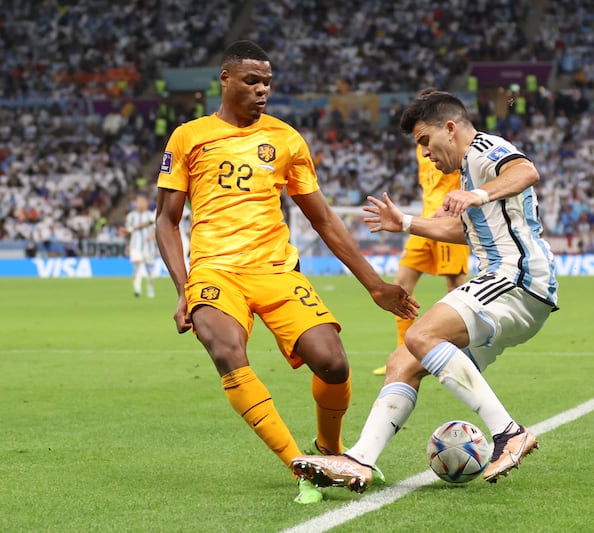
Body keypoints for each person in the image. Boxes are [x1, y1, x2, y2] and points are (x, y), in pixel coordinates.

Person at [154, 40, 418, 505]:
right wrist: (183, 288)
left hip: (275, 270)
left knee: (333, 362)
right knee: (226, 351)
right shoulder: (188, 137)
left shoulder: (287, 139)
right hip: (215, 271)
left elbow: (324, 219)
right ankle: (302, 468)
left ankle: (330, 452)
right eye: (252, 81)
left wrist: (375, 284)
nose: (262, 90)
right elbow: (166, 220)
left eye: (267, 82)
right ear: (225, 79)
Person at [292, 89, 559, 492]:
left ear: (450, 129)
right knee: (404, 359)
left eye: (425, 143)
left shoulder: (485, 148)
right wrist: (404, 223)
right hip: (511, 286)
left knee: (420, 334)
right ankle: (360, 460)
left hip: (516, 277)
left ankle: (509, 433)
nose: (426, 154)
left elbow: (526, 171)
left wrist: (477, 194)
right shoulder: (468, 170)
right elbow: (461, 230)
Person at [372, 143, 470, 376]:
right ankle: (402, 355)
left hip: (448, 223)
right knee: (401, 286)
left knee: (456, 288)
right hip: (423, 223)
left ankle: (462, 358)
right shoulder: (420, 148)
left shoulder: (452, 143)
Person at [125, 193, 157, 298]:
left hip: (149, 246)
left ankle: (150, 287)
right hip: (136, 246)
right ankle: (137, 289)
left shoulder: (151, 215)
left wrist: (152, 235)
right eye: (138, 202)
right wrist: (128, 244)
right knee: (136, 266)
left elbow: (156, 229)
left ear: (146, 203)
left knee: (149, 269)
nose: (140, 204)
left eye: (142, 202)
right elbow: (128, 232)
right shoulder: (131, 216)